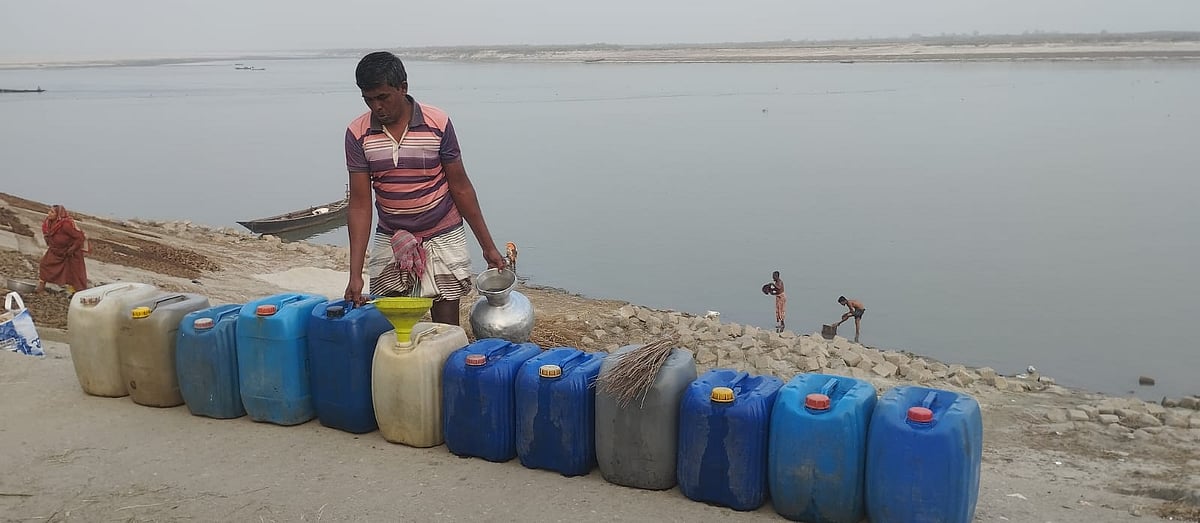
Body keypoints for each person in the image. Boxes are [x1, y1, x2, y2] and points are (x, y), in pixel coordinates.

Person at [343, 52, 505, 326]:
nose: (377, 107)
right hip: (392, 234)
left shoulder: (437, 123)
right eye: (368, 99)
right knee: (395, 324)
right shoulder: (358, 133)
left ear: (403, 88)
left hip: (442, 233)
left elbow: (460, 187)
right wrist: (355, 274)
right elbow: (360, 204)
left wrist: (488, 247)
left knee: (445, 327)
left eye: (383, 97)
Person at [36, 204, 88, 294]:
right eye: (49, 211)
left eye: (52, 212)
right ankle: (41, 287)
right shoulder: (48, 223)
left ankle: (77, 293)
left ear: (58, 215)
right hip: (55, 250)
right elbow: (48, 234)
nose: (49, 213)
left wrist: (72, 249)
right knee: (45, 265)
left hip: (69, 253)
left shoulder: (65, 225)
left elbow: (80, 237)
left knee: (74, 273)